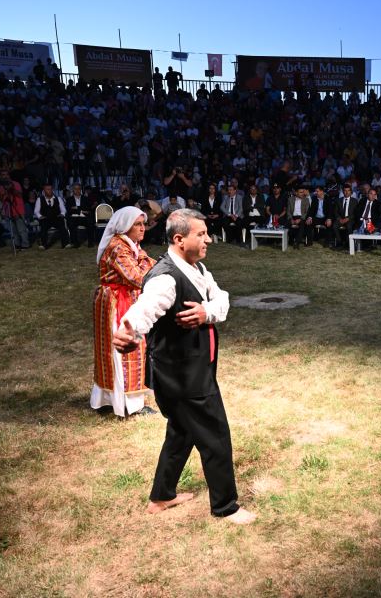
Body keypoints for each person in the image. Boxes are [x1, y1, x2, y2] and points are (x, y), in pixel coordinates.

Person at [113, 209, 256, 525]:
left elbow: (223, 301)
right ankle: (226, 507)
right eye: (201, 234)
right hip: (184, 376)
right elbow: (146, 309)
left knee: (182, 432)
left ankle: (162, 496)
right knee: (215, 434)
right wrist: (131, 331)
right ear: (179, 239)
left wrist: (207, 311)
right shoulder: (166, 278)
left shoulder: (198, 268)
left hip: (192, 370)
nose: (208, 240)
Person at [92, 206, 157, 418]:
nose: (143, 228)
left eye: (143, 224)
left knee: (111, 351)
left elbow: (148, 264)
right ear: (125, 226)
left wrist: (146, 263)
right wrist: (148, 266)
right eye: (137, 224)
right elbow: (137, 277)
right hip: (118, 303)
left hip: (116, 300)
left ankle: (108, 399)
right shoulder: (119, 247)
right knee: (129, 348)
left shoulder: (131, 245)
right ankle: (132, 405)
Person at [34, 182, 71, 249]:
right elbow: (36, 211)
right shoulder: (40, 199)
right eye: (47, 189)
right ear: (44, 191)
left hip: (56, 217)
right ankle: (43, 244)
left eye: (51, 189)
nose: (49, 191)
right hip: (45, 218)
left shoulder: (58, 198)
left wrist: (62, 214)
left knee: (62, 226)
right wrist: (40, 216)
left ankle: (65, 244)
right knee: (43, 228)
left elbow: (63, 209)